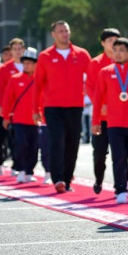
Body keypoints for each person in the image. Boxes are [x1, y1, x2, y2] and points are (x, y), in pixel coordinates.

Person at [33, 21, 91, 193]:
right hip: (52, 107)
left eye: (66, 30)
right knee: (57, 140)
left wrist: (98, 100)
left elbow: (93, 78)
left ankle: (67, 179)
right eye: (60, 31)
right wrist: (35, 110)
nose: (64, 34)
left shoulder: (81, 54)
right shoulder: (45, 56)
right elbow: (38, 85)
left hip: (75, 106)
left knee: (73, 143)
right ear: (53, 34)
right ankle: (57, 178)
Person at [92, 38, 128, 204]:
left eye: (122, 50)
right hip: (114, 124)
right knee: (118, 157)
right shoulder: (105, 72)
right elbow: (98, 98)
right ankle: (120, 189)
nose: (117, 53)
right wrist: (95, 121)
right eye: (115, 50)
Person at [86, 28, 121, 194]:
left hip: (121, 117)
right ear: (103, 43)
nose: (113, 43)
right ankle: (99, 179)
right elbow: (89, 87)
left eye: (116, 40)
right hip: (101, 118)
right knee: (100, 153)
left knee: (120, 153)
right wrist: (100, 105)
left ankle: (120, 185)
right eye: (109, 40)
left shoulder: (124, 61)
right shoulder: (96, 63)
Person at [1, 47, 39, 183]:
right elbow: (7, 99)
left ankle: (29, 171)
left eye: (30, 63)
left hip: (36, 120)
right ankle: (21, 170)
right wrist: (6, 117)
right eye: (25, 63)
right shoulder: (15, 79)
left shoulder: (40, 79)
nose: (27, 65)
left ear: (35, 64)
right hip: (18, 119)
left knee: (34, 147)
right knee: (21, 144)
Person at [0, 38, 26, 175]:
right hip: (5, 109)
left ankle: (17, 166)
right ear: (11, 51)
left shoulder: (29, 65)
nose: (17, 52)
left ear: (23, 50)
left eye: (19, 49)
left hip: (22, 109)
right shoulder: (3, 69)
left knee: (17, 139)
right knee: (0, 137)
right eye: (14, 49)